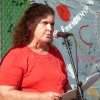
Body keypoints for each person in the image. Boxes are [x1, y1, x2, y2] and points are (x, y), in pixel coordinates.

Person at [0, 3, 73, 100]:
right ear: (29, 25)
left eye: (52, 24)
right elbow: (4, 94)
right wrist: (41, 97)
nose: (50, 28)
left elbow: (65, 85)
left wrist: (71, 94)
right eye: (44, 23)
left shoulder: (55, 52)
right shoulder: (16, 55)